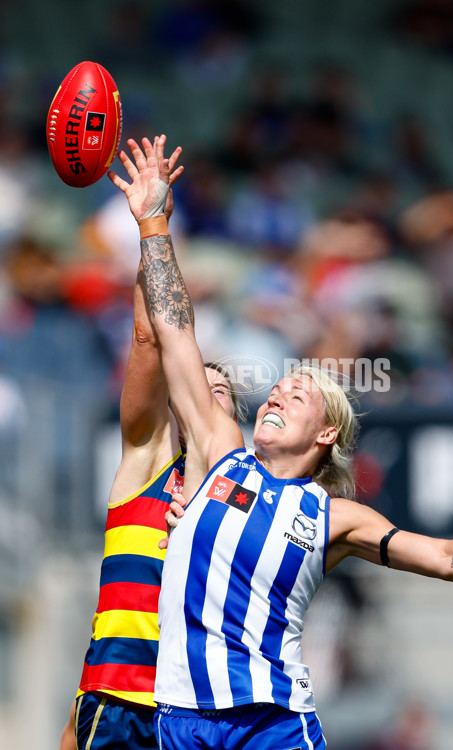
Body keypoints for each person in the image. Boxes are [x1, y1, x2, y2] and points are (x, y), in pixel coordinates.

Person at [110, 134, 453, 750]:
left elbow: (446, 558)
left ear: (327, 432)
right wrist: (153, 222)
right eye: (276, 391)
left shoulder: (335, 517)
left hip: (274, 723)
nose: (275, 397)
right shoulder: (220, 453)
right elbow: (174, 334)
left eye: (297, 395)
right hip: (180, 718)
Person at [58, 159, 241, 750]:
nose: (208, 398)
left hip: (203, 712)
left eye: (224, 394)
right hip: (116, 705)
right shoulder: (146, 461)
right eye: (200, 387)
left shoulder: (252, 501)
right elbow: (149, 339)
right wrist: (152, 224)